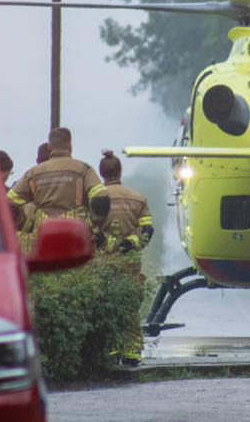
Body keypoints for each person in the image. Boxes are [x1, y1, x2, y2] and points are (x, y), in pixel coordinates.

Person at [90, 149, 153, 366]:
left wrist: (109, 244)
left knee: (106, 305)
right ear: (120, 171)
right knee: (129, 308)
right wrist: (131, 243)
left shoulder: (95, 200)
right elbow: (147, 231)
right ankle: (132, 353)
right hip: (131, 264)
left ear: (101, 173)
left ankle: (110, 351)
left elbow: (91, 232)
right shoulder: (138, 199)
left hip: (102, 263)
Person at [6, 127, 108, 233]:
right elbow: (101, 200)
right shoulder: (84, 170)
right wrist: (91, 226)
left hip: (43, 236)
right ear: (70, 146)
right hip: (76, 235)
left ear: (50, 146)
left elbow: (8, 204)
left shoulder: (32, 173)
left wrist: (29, 226)